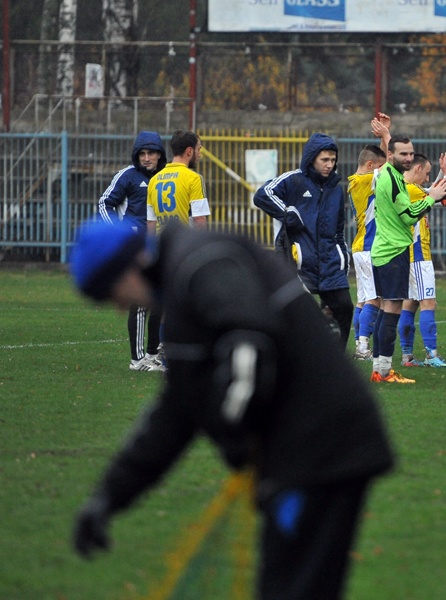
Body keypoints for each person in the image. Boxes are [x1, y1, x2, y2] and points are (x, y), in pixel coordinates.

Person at [68, 218, 395, 600]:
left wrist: (234, 427)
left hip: (322, 448)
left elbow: (249, 343)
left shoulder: (204, 262)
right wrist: (111, 495)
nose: (118, 305)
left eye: (111, 293)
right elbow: (176, 410)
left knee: (293, 589)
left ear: (130, 265)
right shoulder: (182, 284)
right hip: (301, 452)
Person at [253, 132, 354, 351]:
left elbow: (338, 230)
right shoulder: (293, 180)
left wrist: (342, 260)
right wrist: (287, 212)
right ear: (311, 158)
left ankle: (334, 360)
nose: (329, 165)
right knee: (299, 316)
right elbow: (262, 195)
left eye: (333, 160)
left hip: (330, 263)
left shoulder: (336, 189)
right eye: (324, 160)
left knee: (345, 308)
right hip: (299, 262)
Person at [370, 135, 446, 383]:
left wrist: (387, 134)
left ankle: (379, 369)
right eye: (403, 154)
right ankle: (384, 371)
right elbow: (408, 215)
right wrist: (432, 197)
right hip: (393, 252)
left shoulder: (387, 173)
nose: (408, 158)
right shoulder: (394, 180)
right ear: (390, 155)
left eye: (410, 153)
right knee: (391, 310)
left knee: (386, 310)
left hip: (384, 251)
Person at [98, 131, 166, 372]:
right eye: (142, 154)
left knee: (159, 301)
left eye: (151, 153)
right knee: (139, 303)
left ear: (160, 154)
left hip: (159, 247)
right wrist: (118, 235)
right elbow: (104, 203)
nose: (146, 158)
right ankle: (137, 361)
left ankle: (152, 355)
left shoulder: (166, 177)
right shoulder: (127, 176)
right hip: (135, 249)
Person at [398, 150, 446, 369]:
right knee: (428, 303)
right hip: (418, 256)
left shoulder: (405, 188)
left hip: (408, 256)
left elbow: (433, 191)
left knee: (410, 304)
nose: (428, 179)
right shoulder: (412, 190)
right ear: (417, 169)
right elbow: (438, 194)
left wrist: (443, 172)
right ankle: (432, 355)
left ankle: (407, 357)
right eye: (427, 173)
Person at [349, 117, 391, 360]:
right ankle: (363, 346)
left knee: (364, 299)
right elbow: (391, 169)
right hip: (369, 247)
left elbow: (384, 167)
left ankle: (359, 343)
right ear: (369, 165)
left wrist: (385, 137)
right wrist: (387, 137)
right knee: (374, 299)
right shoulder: (365, 180)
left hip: (362, 246)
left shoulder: (362, 179)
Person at [147, 129, 210, 233]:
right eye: (198, 149)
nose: (199, 154)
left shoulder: (153, 180)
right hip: (183, 244)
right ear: (189, 151)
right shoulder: (193, 178)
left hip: (162, 245)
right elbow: (199, 219)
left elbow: (150, 223)